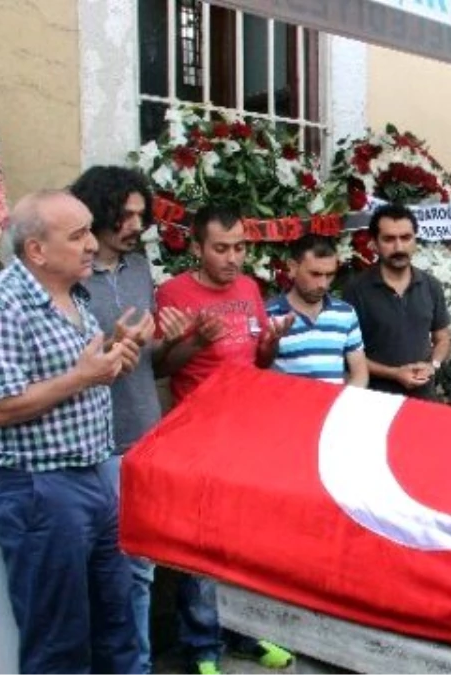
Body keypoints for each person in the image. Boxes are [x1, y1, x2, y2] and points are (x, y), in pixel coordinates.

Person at [0, 190, 144, 673]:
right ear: (36, 250)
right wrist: (83, 376)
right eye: (78, 235)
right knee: (59, 644)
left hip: (93, 477)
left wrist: (113, 358)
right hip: (39, 489)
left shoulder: (74, 295)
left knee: (116, 627)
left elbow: (73, 380)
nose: (91, 244)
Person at [154, 204, 294, 674]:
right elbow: (160, 367)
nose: (232, 258)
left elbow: (258, 362)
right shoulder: (174, 292)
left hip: (247, 435)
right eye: (221, 248)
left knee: (246, 542)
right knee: (202, 546)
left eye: (239, 248)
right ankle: (202, 647)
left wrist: (272, 342)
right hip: (197, 437)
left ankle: (246, 635)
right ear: (196, 248)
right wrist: (194, 341)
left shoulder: (251, 288)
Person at [71, 165, 191, 673]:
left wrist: (187, 341)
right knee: (93, 573)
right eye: (125, 215)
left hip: (141, 435)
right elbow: (69, 363)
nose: (134, 225)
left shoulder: (140, 269)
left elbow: (153, 363)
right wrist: (118, 345)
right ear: (96, 211)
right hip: (91, 442)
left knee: (139, 571)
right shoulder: (70, 276)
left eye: (141, 215)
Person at [342, 204, 451, 399]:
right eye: (389, 239)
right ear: (374, 243)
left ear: (415, 240)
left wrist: (432, 365)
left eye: (405, 238)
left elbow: (442, 338)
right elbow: (348, 354)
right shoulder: (356, 290)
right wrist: (394, 374)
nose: (399, 247)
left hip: (424, 400)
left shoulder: (430, 286)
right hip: (375, 402)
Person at [267, 234, 368, 386]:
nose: (323, 284)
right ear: (293, 268)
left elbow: (360, 374)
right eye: (315, 274)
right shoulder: (268, 313)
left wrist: (342, 405)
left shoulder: (345, 313)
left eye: (329, 275)